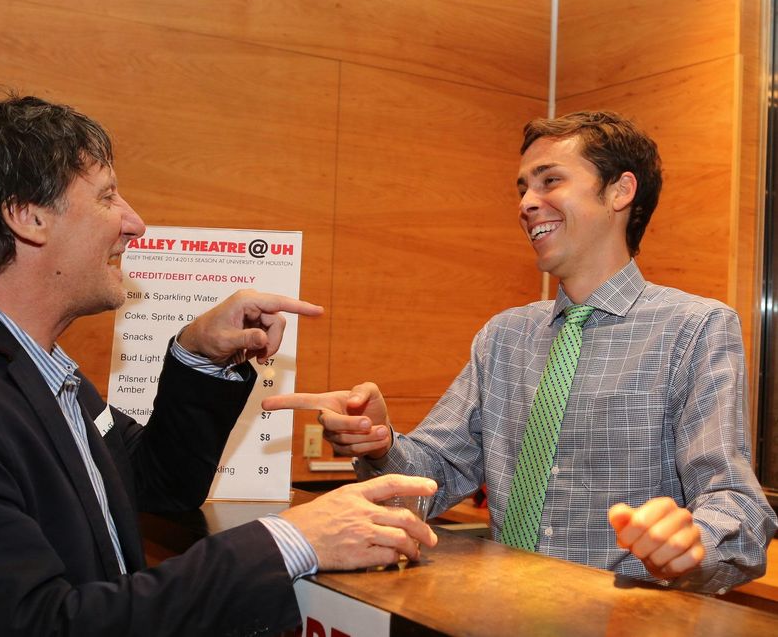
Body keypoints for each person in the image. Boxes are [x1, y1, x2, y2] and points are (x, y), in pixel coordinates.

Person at [0, 90, 438, 636]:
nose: (134, 222)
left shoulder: (40, 373)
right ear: (27, 217)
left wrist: (200, 355)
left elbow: (159, 484)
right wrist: (289, 542)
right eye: (105, 196)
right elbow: (38, 626)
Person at [265, 110, 777, 594]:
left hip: (626, 618)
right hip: (502, 610)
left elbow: (737, 504)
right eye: (523, 187)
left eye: (550, 180)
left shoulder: (695, 328)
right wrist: (378, 444)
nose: (527, 202)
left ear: (620, 191)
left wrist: (690, 544)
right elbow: (429, 480)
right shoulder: (504, 336)